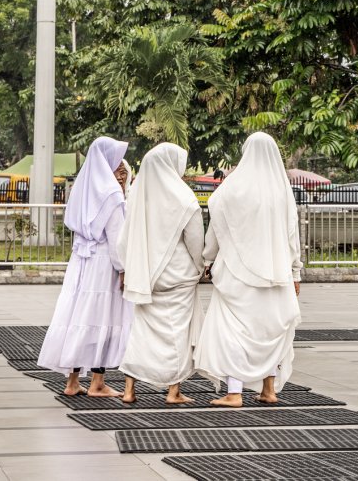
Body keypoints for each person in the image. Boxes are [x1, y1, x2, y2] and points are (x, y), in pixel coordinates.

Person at [195, 132, 302, 407]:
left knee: (234, 331)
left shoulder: (230, 189)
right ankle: (269, 389)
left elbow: (215, 228)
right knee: (268, 331)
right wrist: (295, 272)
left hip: (236, 274)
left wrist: (208, 260)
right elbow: (293, 236)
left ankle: (234, 392)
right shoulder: (281, 192)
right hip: (277, 274)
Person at [37, 137, 132, 397]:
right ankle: (98, 383)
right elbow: (117, 238)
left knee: (79, 318)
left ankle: (72, 380)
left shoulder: (84, 188)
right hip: (104, 265)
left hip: (81, 263)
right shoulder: (111, 194)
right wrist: (123, 269)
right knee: (103, 319)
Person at [118, 143, 206, 405]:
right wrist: (200, 268)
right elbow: (195, 241)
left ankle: (129, 389)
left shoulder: (136, 194)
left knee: (141, 332)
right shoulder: (184, 198)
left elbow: (124, 239)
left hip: (146, 276)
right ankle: (173, 391)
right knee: (176, 332)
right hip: (178, 276)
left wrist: (130, 268)